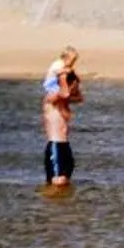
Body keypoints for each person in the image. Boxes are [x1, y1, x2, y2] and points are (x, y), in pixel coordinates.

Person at [41, 52, 82, 186]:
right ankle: (50, 206)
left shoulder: (65, 101)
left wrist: (74, 84)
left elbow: (80, 98)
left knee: (65, 183)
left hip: (65, 145)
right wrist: (63, 77)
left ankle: (63, 206)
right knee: (57, 183)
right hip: (55, 145)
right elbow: (64, 93)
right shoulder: (52, 98)